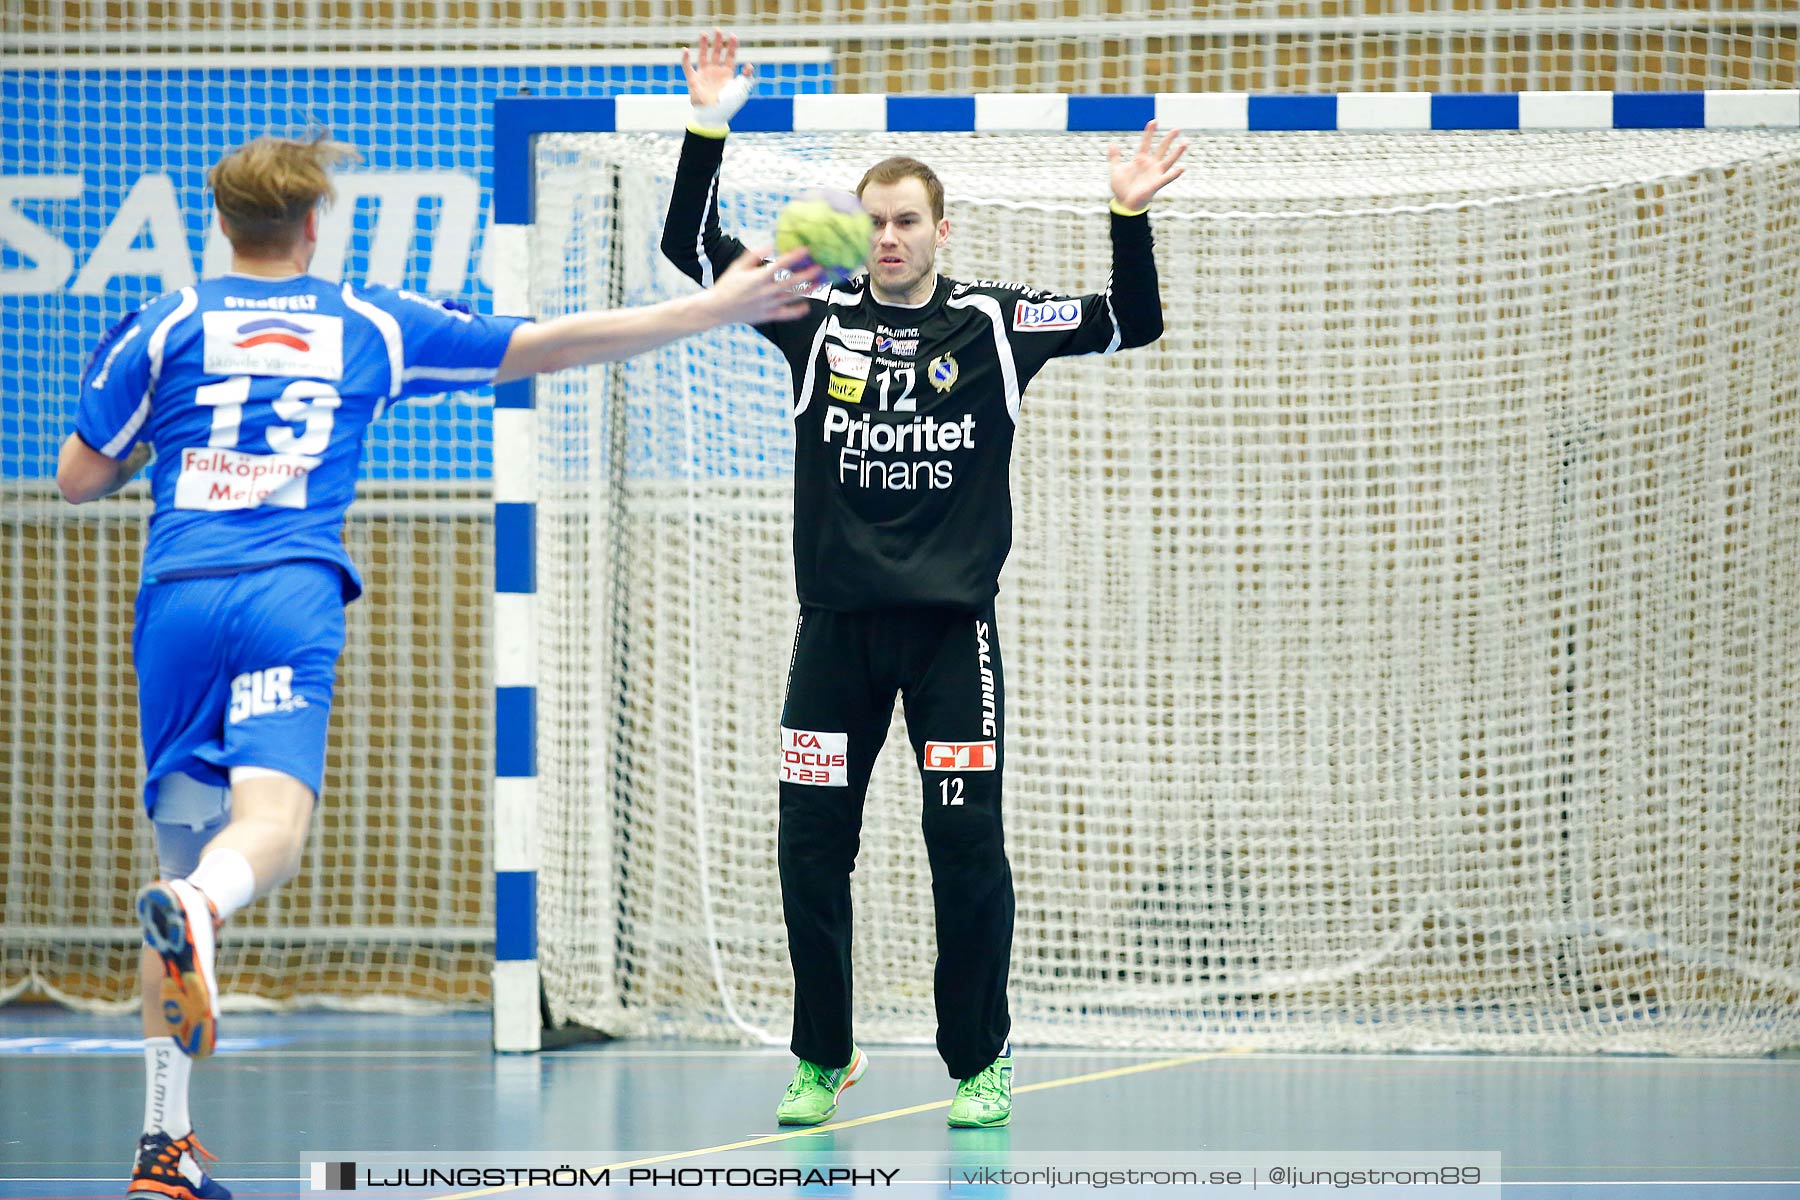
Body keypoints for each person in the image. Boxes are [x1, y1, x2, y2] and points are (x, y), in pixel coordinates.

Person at [58, 130, 819, 1200]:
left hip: (178, 602)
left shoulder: (162, 324)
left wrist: (170, 436)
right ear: (313, 228)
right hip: (288, 595)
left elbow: (78, 478)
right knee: (258, 838)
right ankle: (197, 923)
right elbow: (548, 344)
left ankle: (162, 1148)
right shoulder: (370, 320)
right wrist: (713, 307)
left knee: (187, 861)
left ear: (221, 227)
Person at [662, 30, 1187, 1129]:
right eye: (877, 222)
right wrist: (711, 122)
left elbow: (1131, 322)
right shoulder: (811, 316)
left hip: (954, 640)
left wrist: (1127, 215)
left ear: (940, 232)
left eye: (910, 222)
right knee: (809, 848)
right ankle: (822, 1057)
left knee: (965, 848)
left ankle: (980, 1060)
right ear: (857, 233)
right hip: (836, 637)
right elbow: (688, 242)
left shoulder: (996, 323)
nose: (892, 238)